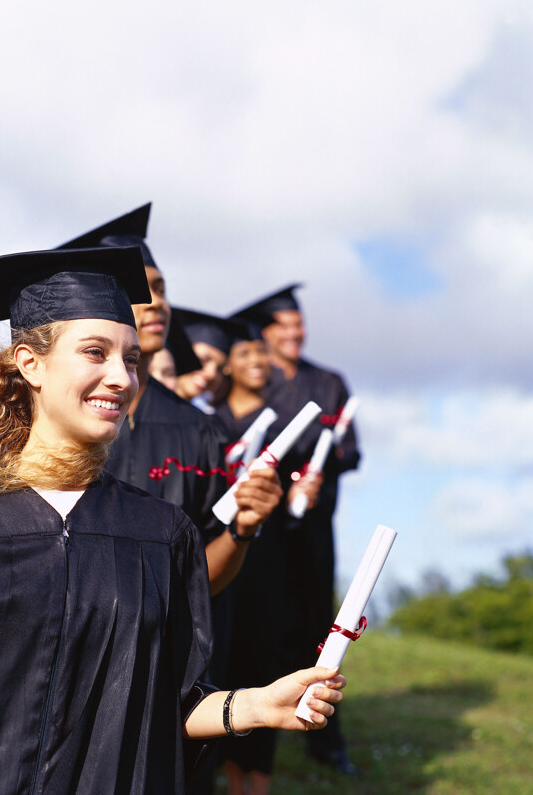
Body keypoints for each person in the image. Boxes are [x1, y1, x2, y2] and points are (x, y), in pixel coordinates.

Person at [0, 245, 346, 795]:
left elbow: (172, 703)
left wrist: (254, 704)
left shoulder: (160, 532)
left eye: (130, 359)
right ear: (30, 363)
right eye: (95, 353)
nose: (120, 378)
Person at [57, 206, 283, 597]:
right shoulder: (50, 420)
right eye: (139, 292)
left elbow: (203, 569)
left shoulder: (200, 430)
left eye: (160, 289)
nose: (157, 303)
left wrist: (242, 530)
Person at [231, 285, 361, 775]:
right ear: (264, 336)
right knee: (264, 626)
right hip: (267, 530)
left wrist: (324, 469)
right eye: (282, 326)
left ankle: (327, 740)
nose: (294, 333)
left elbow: (352, 449)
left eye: (298, 324)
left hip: (314, 527)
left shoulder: (329, 382)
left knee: (319, 627)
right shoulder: (259, 383)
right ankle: (256, 732)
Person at [215, 322, 324, 795]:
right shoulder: (207, 421)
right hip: (217, 556)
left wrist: (303, 491)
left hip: (269, 558)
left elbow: (298, 489)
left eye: (263, 354)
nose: (259, 361)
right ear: (227, 364)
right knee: (221, 658)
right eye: (247, 353)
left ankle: (256, 778)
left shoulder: (285, 425)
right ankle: (222, 771)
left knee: (263, 660)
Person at [171, 308, 243, 411]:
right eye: (203, 360)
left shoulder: (207, 420)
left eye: (220, 368)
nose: (211, 374)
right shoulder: (146, 405)